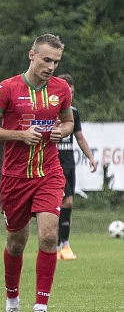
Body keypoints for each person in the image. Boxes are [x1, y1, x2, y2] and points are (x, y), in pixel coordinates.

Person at [0, 33, 74, 312]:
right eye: (46, 60)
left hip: (48, 173)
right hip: (15, 179)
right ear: (31, 55)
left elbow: (68, 121)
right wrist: (20, 135)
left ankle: (40, 308)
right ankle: (11, 306)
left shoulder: (60, 90)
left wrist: (63, 131)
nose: (51, 67)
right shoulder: (7, 88)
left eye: (56, 62)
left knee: (48, 236)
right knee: (16, 243)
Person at [55, 74, 98, 260]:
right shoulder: (48, 111)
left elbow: (79, 137)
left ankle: (63, 244)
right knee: (63, 203)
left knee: (68, 202)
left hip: (68, 163)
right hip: (53, 163)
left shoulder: (73, 112)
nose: (69, 95)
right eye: (66, 91)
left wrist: (90, 156)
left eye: (71, 92)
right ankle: (59, 244)